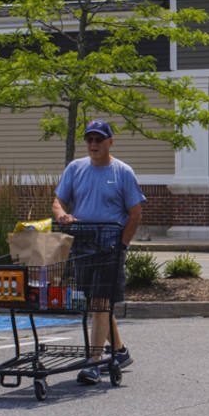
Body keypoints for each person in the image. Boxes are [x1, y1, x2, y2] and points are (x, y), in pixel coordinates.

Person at [51, 118, 144, 385]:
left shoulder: (122, 172)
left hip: (109, 246)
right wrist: (62, 215)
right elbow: (58, 200)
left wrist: (123, 246)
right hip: (82, 245)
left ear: (109, 142)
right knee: (96, 303)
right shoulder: (75, 168)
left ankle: (93, 362)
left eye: (98, 139)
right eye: (90, 139)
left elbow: (135, 213)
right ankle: (119, 351)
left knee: (101, 303)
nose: (93, 144)